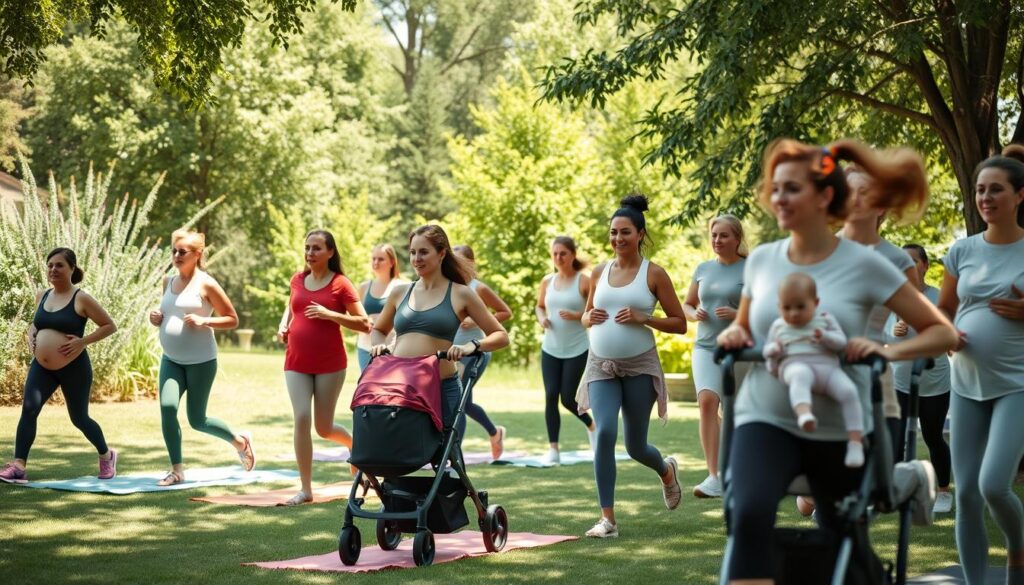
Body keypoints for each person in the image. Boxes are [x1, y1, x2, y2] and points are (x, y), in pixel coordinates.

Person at [716, 139, 958, 584]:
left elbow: (944, 332)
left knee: (841, 529)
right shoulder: (764, 261)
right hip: (765, 415)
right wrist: (735, 333)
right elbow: (747, 329)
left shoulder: (868, 265)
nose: (779, 198)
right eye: (776, 189)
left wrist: (886, 350)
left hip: (842, 423)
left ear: (825, 197)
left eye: (792, 189)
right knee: (747, 514)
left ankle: (902, 488)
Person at [577, 194, 687, 539]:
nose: (617, 239)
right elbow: (586, 315)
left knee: (635, 446)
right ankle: (607, 520)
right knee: (605, 431)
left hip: (639, 367)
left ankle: (666, 470)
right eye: (613, 232)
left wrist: (645, 318)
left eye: (625, 232)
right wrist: (586, 317)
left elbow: (680, 322)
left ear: (640, 233)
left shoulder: (654, 274)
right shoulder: (599, 272)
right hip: (601, 366)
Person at [938, 146, 1024, 585]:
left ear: (1020, 195)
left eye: (996, 190)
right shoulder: (962, 250)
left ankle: (1017, 551)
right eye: (980, 190)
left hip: (1017, 384)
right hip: (966, 382)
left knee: (993, 486)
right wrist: (947, 333)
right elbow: (945, 308)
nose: (986, 198)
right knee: (967, 495)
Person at [369, 225, 509, 445]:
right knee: (388, 446)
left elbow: (501, 335)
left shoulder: (461, 293)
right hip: (399, 386)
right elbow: (378, 330)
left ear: (442, 253)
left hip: (442, 388)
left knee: (446, 453)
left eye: (423, 252)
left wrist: (471, 346)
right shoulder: (400, 292)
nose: (416, 258)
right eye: (413, 252)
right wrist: (378, 346)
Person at [1, 248, 119, 484]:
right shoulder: (42, 295)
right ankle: (19, 467)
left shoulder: (81, 298)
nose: (53, 269)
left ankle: (107, 455)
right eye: (50, 265)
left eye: (59, 265)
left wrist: (83, 342)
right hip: (42, 367)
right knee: (29, 408)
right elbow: (37, 323)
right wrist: (31, 332)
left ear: (72, 269)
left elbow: (109, 325)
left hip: (74, 367)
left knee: (79, 418)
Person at [148, 230, 254, 486]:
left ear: (197, 255)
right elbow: (167, 312)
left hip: (201, 362)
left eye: (182, 252)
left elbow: (232, 319)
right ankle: (177, 470)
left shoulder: (206, 283)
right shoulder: (167, 281)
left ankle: (240, 442)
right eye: (174, 251)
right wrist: (156, 318)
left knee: (197, 420)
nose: (176, 256)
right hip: (171, 359)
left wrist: (205, 320)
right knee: (167, 408)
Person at [276, 230, 371, 505]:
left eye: (316, 248)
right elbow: (292, 306)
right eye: (307, 248)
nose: (310, 253)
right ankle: (306, 489)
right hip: (296, 361)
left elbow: (364, 324)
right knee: (302, 417)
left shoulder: (341, 284)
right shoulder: (298, 279)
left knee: (324, 428)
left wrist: (331, 314)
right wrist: (284, 325)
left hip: (330, 364)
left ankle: (353, 446)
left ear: (330, 252)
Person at [763, 273, 863, 467]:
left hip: (828, 368)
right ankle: (804, 414)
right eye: (787, 308)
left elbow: (841, 343)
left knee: (849, 391)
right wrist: (774, 351)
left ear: (815, 303)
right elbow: (768, 351)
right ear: (779, 307)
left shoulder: (825, 319)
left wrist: (825, 337)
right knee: (800, 375)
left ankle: (855, 442)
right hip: (794, 365)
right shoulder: (778, 325)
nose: (793, 314)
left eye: (800, 307)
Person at [683, 214, 747, 497]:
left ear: (737, 239)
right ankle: (713, 476)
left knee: (735, 413)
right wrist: (693, 313)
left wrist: (738, 314)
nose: (717, 240)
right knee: (707, 402)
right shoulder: (703, 268)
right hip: (706, 348)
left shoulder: (751, 269)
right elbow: (686, 304)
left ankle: (738, 472)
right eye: (714, 235)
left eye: (724, 236)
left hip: (741, 351)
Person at [890, 243, 953, 514]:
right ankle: (895, 491)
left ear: (925, 265)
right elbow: (882, 339)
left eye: (914, 261)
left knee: (932, 435)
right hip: (900, 381)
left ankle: (942, 491)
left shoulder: (939, 297)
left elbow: (950, 340)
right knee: (896, 437)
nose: (907, 266)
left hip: (934, 382)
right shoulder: (892, 297)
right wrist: (894, 331)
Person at [536, 236, 596, 465]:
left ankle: (592, 426)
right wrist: (542, 319)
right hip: (550, 348)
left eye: (563, 253)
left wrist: (576, 316)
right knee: (551, 395)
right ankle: (553, 449)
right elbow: (540, 306)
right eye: (554, 254)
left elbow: (596, 313)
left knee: (568, 399)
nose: (558, 258)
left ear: (573, 254)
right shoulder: (547, 281)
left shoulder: (584, 281)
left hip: (577, 348)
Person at [450, 244, 513, 459]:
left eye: (460, 261)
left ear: (471, 264)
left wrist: (477, 319)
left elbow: (505, 312)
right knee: (462, 402)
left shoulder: (478, 287)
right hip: (453, 353)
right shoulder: (448, 287)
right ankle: (495, 433)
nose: (455, 265)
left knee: (459, 402)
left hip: (476, 352)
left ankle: (454, 454)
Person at [355, 244, 406, 371]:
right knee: (368, 387)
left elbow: (407, 319)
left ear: (392, 262)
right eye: (374, 259)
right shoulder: (364, 287)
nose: (376, 262)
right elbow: (355, 318)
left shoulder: (402, 286)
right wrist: (365, 323)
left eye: (381, 259)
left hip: (392, 349)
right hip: (365, 348)